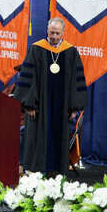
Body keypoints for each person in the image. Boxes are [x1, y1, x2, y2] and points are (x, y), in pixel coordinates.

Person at [18, 18, 87, 176]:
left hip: (61, 108)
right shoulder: (36, 49)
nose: (54, 36)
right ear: (47, 31)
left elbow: (76, 82)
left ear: (63, 33)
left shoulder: (70, 52)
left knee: (58, 140)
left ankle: (55, 173)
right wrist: (29, 105)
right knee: (36, 139)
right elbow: (29, 78)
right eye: (51, 33)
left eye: (57, 33)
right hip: (39, 107)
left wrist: (74, 107)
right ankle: (34, 173)